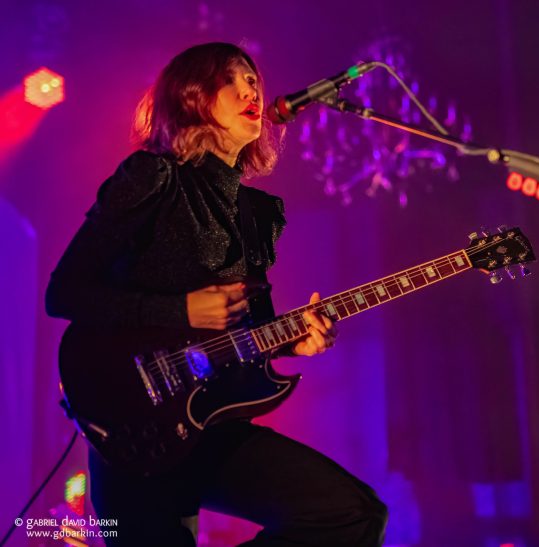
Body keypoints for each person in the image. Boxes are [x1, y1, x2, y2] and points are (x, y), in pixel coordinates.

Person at [45, 42, 387, 546]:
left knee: (351, 513)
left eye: (254, 79)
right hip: (135, 429)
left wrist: (293, 340)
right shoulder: (153, 176)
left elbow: (249, 329)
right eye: (236, 77)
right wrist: (177, 310)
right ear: (194, 95)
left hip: (210, 425)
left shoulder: (257, 212)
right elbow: (65, 292)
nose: (253, 87)